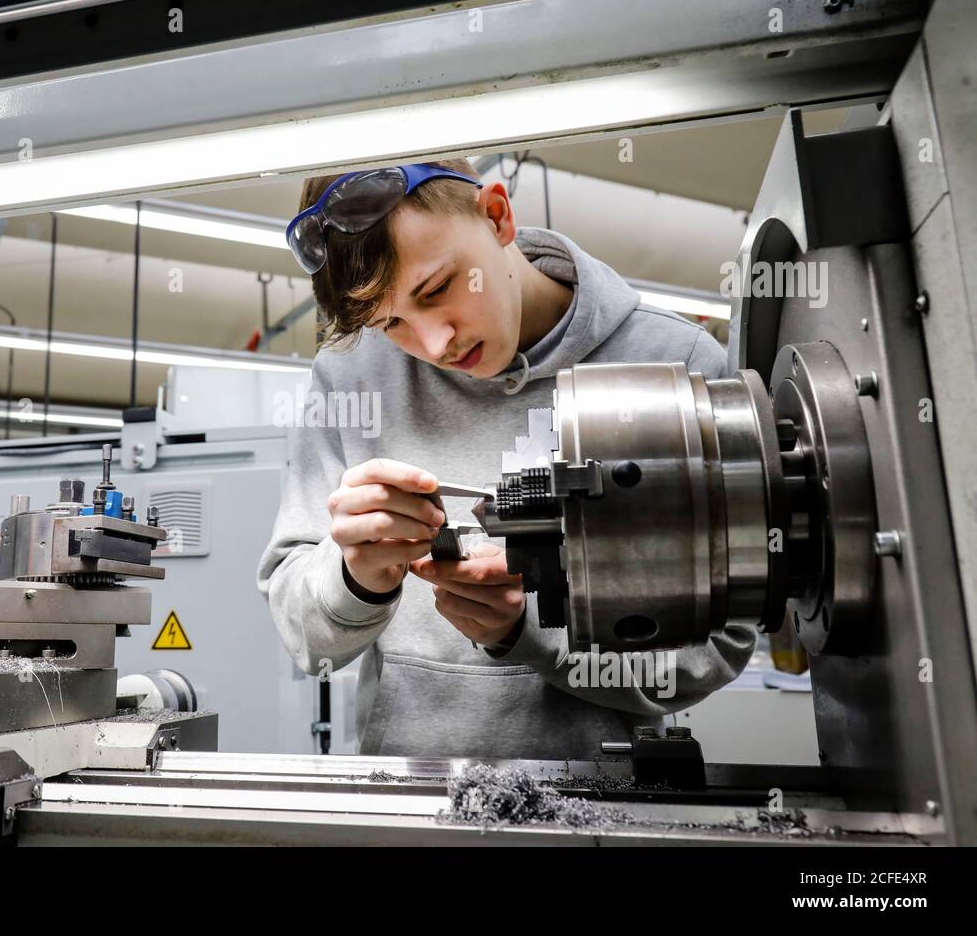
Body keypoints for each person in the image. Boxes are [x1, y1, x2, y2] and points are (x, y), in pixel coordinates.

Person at [257, 159, 754, 758]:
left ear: (497, 215)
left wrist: (532, 635)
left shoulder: (675, 363)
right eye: (392, 323)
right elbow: (303, 638)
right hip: (407, 808)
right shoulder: (350, 379)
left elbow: (715, 651)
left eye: (437, 290)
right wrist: (355, 576)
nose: (436, 345)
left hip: (607, 808)